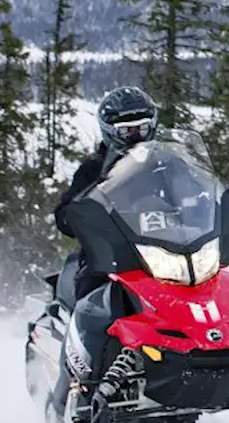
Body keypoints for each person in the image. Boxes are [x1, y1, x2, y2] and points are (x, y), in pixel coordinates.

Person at [53, 85, 161, 302]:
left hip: (165, 247)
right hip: (111, 252)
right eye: (127, 131)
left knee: (220, 276)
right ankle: (84, 333)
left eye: (142, 128)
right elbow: (65, 212)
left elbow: (194, 193)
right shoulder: (94, 168)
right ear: (110, 131)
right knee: (91, 296)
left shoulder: (166, 164)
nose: (136, 136)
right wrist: (79, 215)